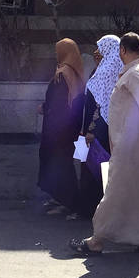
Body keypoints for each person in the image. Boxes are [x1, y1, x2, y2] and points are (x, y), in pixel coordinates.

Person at [70, 32, 139, 255]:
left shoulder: (135, 74)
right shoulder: (138, 71)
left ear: (123, 50)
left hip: (131, 146)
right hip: (133, 143)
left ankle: (97, 240)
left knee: (115, 191)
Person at [76, 34, 123, 219]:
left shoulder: (108, 71)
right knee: (84, 163)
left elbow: (101, 104)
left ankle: (93, 210)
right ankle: (89, 208)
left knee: (96, 167)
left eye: (101, 48)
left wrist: (90, 131)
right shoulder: (99, 69)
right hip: (86, 128)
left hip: (95, 130)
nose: (96, 52)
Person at [38, 38, 85, 217]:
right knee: (64, 163)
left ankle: (68, 202)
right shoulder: (75, 72)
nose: (56, 54)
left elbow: (58, 105)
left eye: (58, 50)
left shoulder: (63, 74)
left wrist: (45, 109)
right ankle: (61, 198)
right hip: (70, 129)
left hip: (58, 131)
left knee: (60, 164)